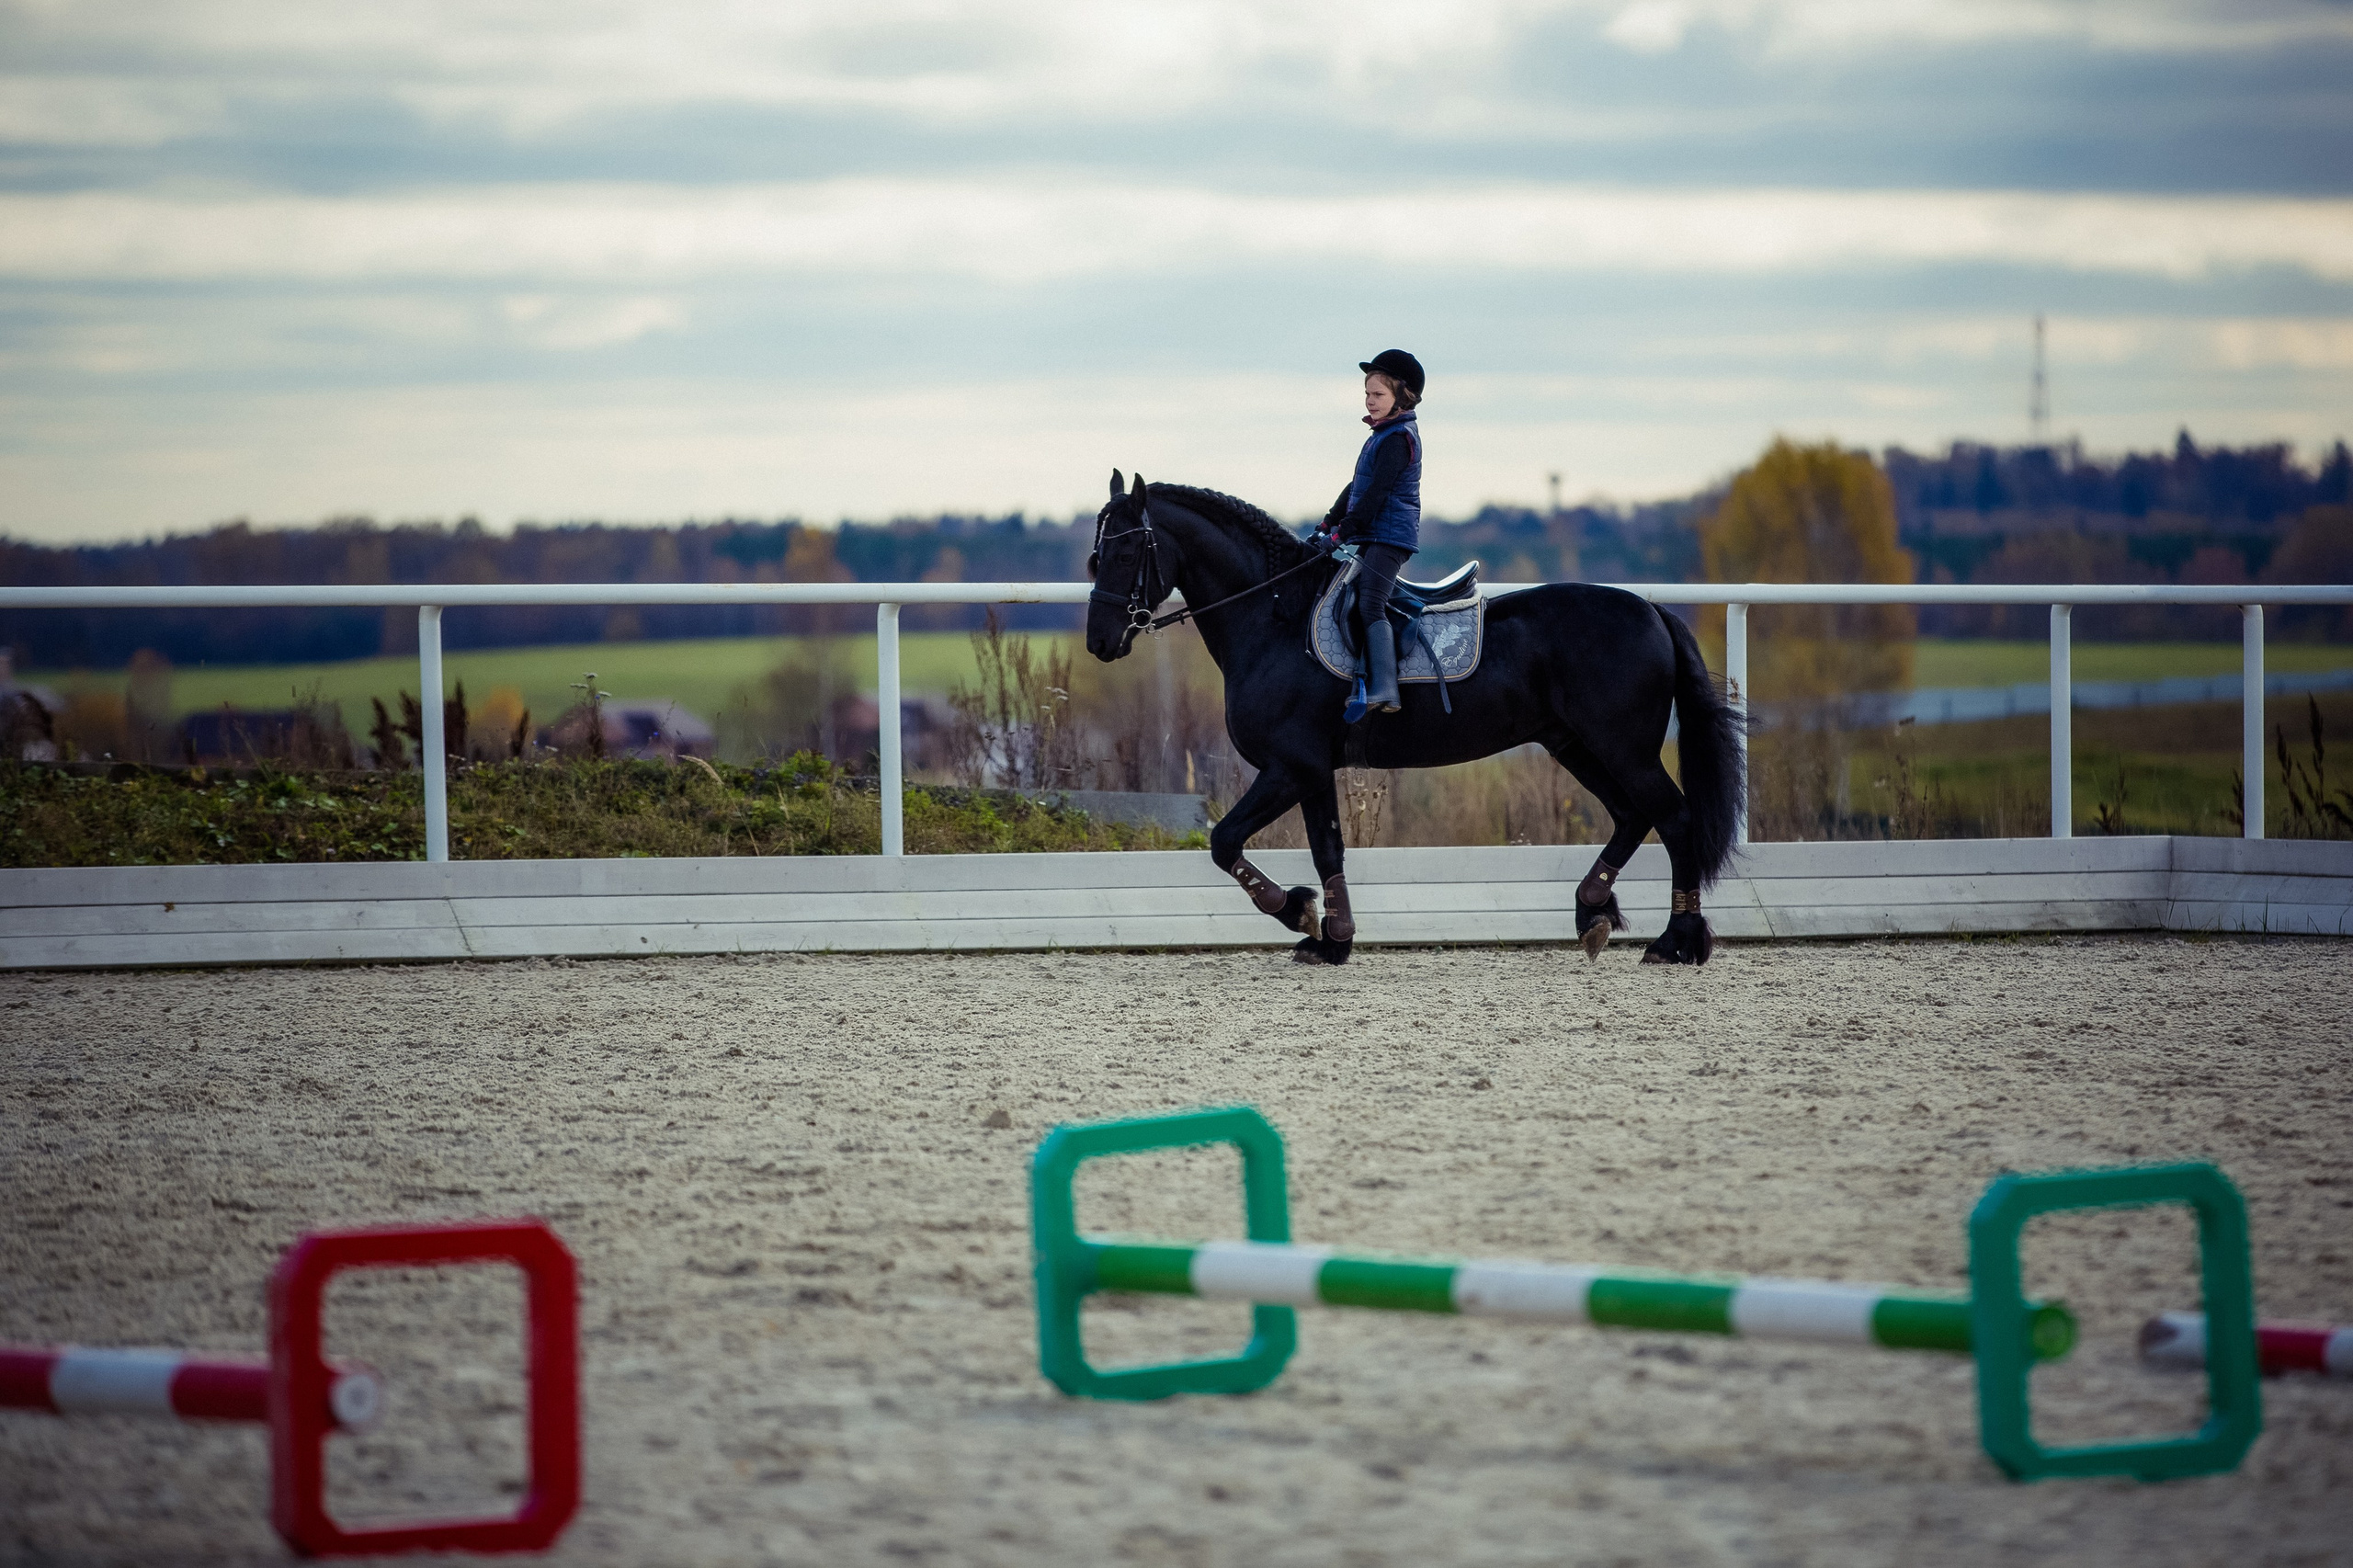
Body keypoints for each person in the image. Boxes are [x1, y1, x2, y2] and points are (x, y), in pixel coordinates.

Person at [1314, 348, 1424, 713]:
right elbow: (1357, 487)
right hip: (1375, 534)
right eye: (1367, 394)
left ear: (1401, 397)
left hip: (1389, 537)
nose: (1369, 401)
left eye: (1378, 394)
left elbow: (1376, 494)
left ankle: (1386, 689)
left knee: (1370, 603)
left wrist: (1345, 532)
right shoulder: (1380, 435)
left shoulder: (1397, 439)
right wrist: (1330, 521)